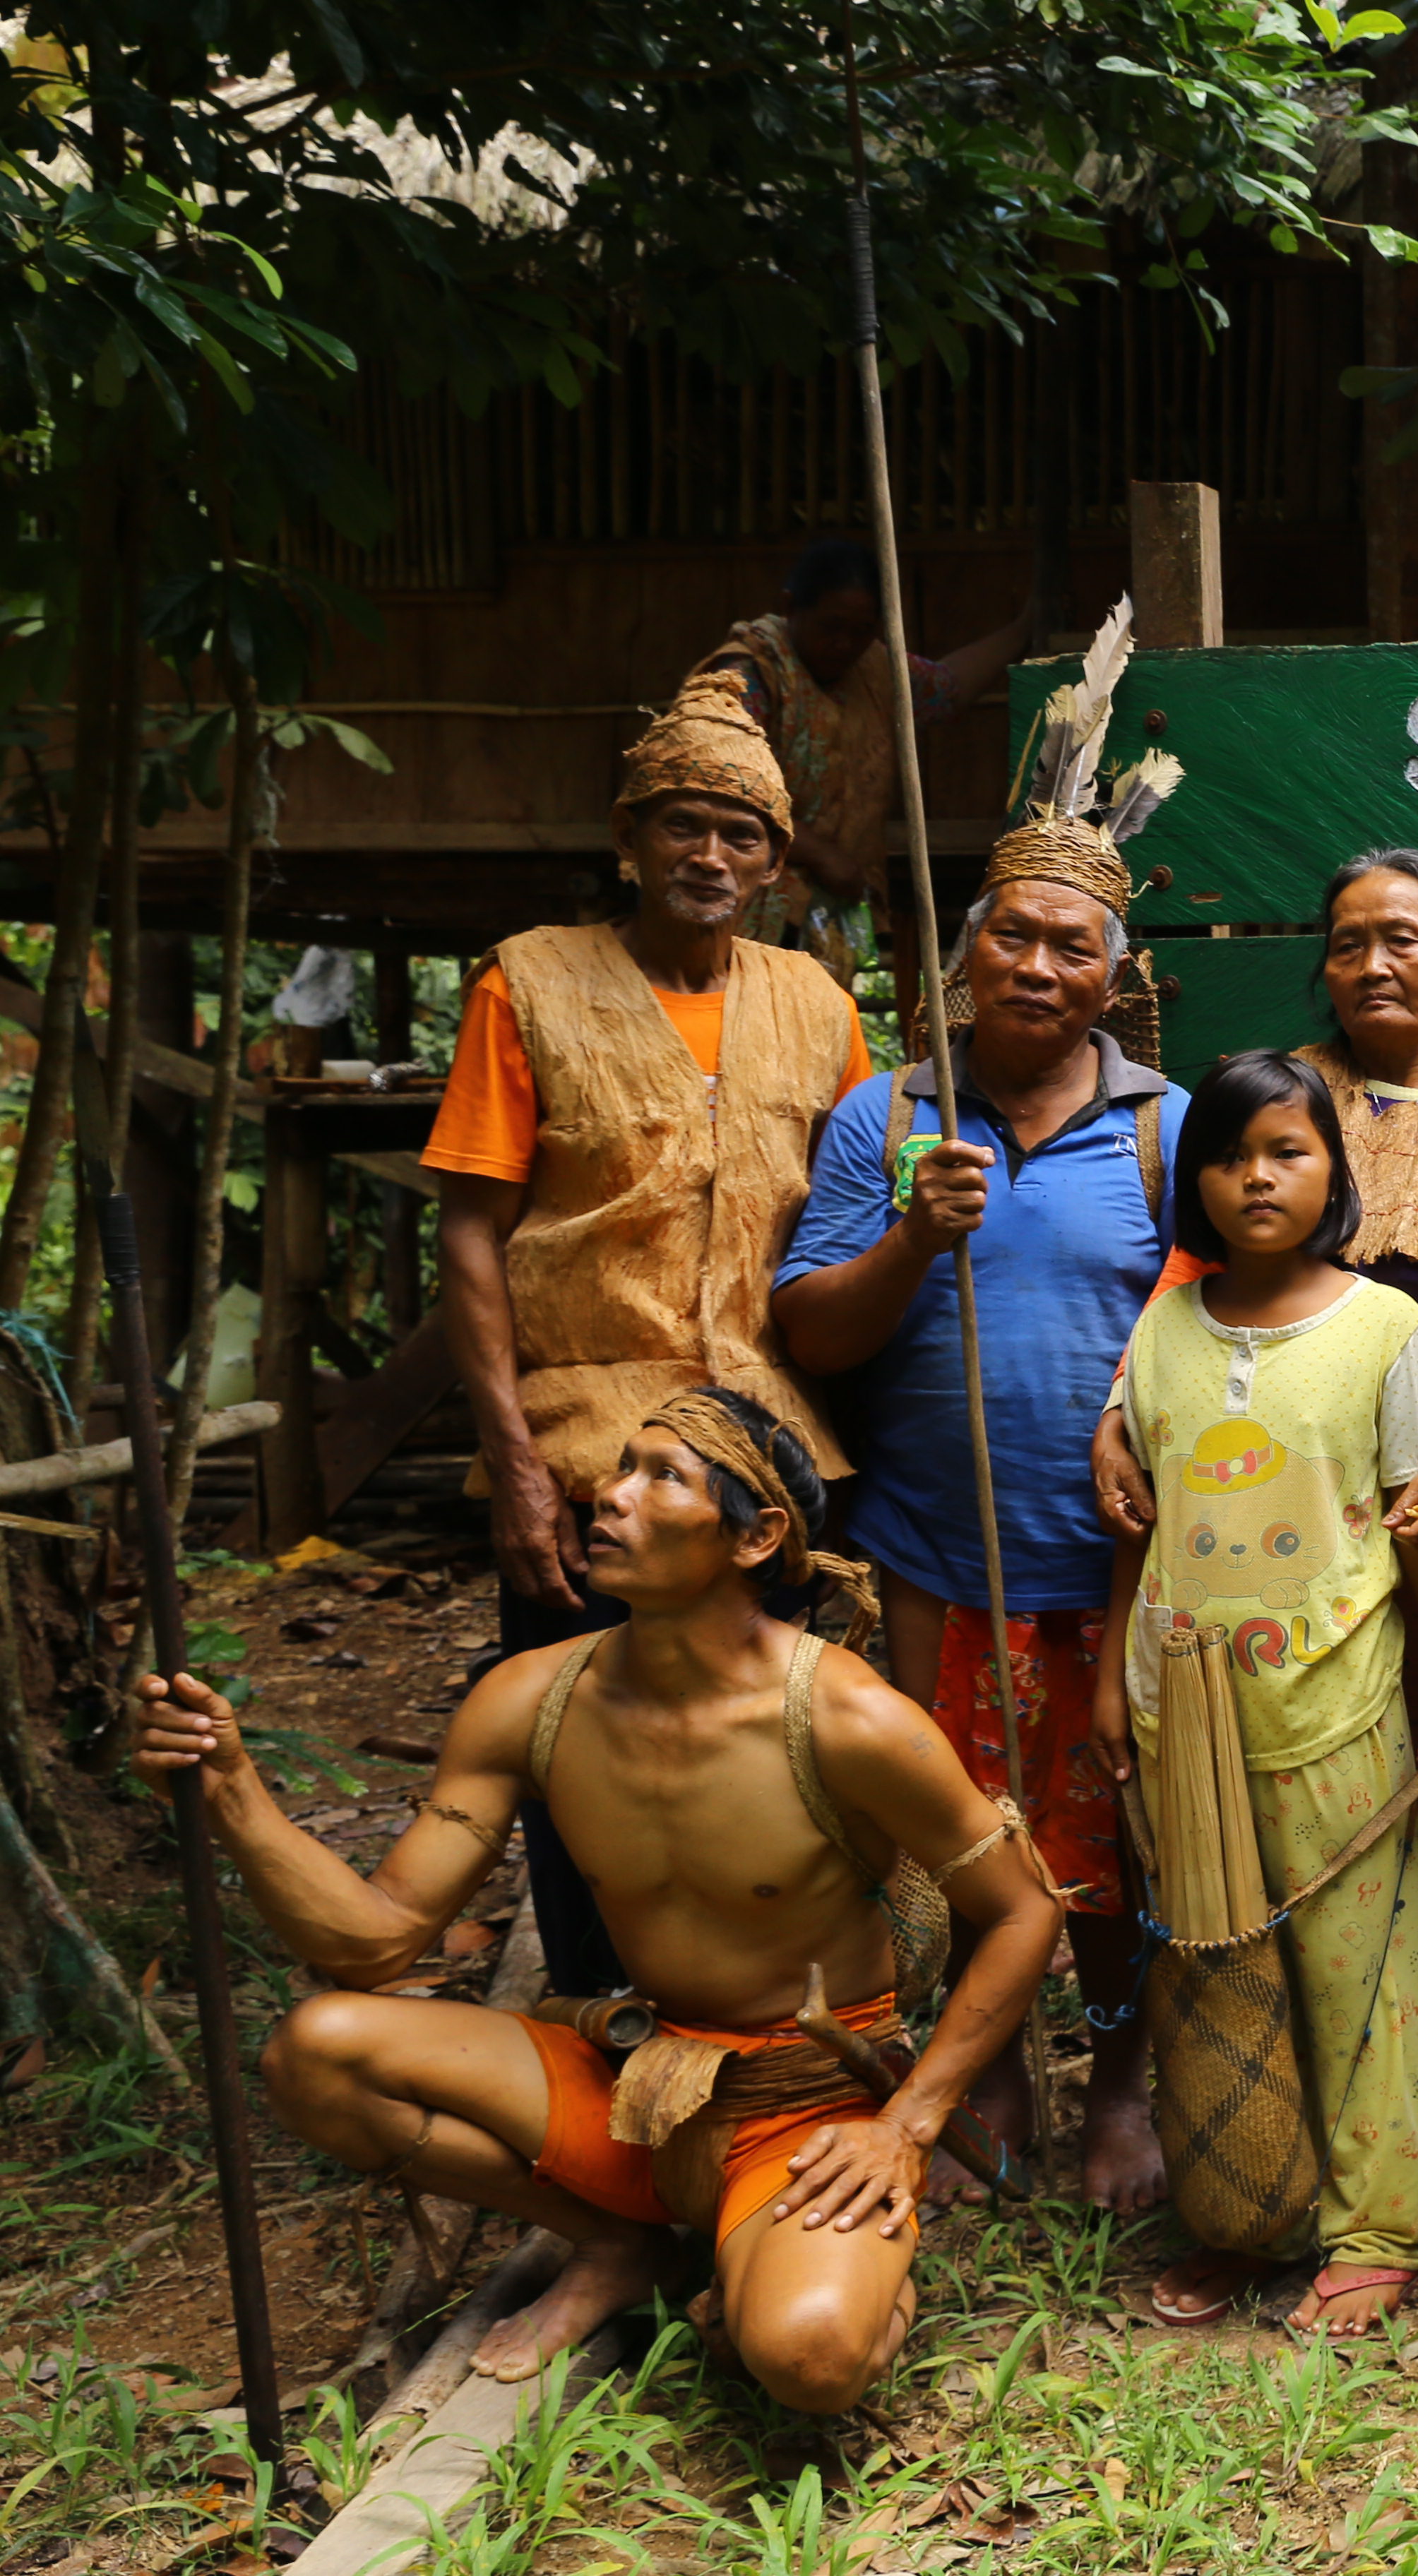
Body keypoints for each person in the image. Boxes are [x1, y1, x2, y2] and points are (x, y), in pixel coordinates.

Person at [130, 1390, 1059, 2410]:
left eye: (660, 1476)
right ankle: (620, 2246)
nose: (606, 1496)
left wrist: (911, 2121)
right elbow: (375, 1943)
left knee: (808, 2361)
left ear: (759, 1539)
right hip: (637, 2088)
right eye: (618, 1469)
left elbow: (1024, 1911)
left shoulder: (849, 1719)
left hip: (803, 2110)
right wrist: (234, 1796)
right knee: (318, 2051)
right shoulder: (528, 1699)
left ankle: (812, 2272)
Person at [1092, 849, 1418, 2229]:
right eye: (1348, 943)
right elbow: (1188, 1299)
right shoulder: (1277, 1100)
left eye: (1404, 938)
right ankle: (1276, 2123)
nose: (1373, 966)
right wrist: (1125, 1425)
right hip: (1280, 1510)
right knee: (1301, 1830)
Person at [774, 792, 1193, 2212]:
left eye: (1070, 948)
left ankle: (1122, 2082)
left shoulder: (1166, 1129)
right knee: (966, 1829)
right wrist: (914, 1233)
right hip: (934, 1555)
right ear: (968, 956)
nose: (1036, 965)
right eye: (1011, 935)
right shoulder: (887, 1114)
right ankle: (994, 2069)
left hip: (1116, 1561)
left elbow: (1220, 1314)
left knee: (1117, 1844)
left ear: (1112, 980)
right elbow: (813, 1332)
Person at [429, 671, 875, 1995]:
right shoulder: (532, 982)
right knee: (577, 1740)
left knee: (770, 1744)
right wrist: (512, 1466)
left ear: (776, 863)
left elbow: (851, 1224)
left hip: (769, 1453)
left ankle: (768, 2028)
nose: (711, 855)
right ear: (627, 839)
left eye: (742, 835)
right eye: (683, 824)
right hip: (586, 1448)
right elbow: (469, 1235)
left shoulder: (818, 1003)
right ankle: (591, 2011)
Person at [1091, 1051, 1418, 2336]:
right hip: (1179, 1718)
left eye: (1287, 1150)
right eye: (1227, 1154)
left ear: (1333, 1172)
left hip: (1334, 1709)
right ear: (1194, 1178)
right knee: (1212, 1981)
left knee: (1353, 1978)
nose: (1256, 1175)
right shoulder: (1162, 1330)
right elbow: (1140, 1529)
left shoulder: (1387, 1329)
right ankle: (1242, 2207)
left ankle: (1378, 2225)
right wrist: (1110, 1677)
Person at [696, 539, 1038, 982]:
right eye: (832, 627)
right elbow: (718, 791)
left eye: (862, 631)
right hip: (739, 904)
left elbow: (946, 689)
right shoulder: (747, 675)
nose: (845, 644)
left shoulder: (874, 669)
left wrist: (1022, 630)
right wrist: (820, 854)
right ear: (791, 607)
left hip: (826, 914)